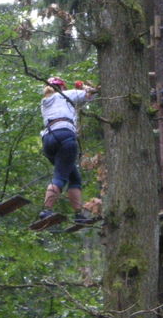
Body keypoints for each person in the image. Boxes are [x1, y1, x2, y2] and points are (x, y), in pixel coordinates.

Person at [39, 77, 99, 224]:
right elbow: (90, 95)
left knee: (74, 178)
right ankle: (47, 210)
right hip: (65, 136)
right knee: (60, 177)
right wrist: (85, 87)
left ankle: (79, 214)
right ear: (62, 88)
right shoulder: (65, 94)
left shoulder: (45, 102)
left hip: (48, 140)